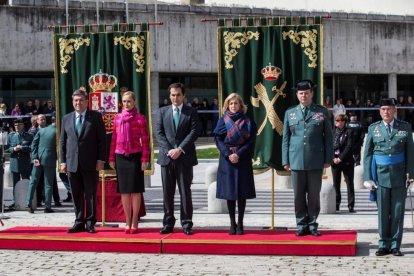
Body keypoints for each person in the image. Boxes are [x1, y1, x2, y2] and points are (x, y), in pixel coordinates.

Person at [282, 80, 333, 237]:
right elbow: (286, 138)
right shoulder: (290, 113)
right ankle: (301, 223)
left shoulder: (321, 112)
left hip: (315, 159)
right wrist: (285, 160)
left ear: (312, 94)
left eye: (307, 93)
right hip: (296, 159)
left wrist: (328, 159)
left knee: (313, 195)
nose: (304, 95)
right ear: (297, 95)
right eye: (301, 93)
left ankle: (312, 224)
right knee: (298, 195)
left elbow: (328, 138)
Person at [363, 98, 414, 257]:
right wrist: (368, 177)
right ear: (380, 111)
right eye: (383, 109)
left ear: (395, 110)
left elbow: (410, 153)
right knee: (383, 211)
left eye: (389, 109)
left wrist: (411, 176)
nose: (386, 112)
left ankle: (395, 245)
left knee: (398, 211)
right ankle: (383, 244)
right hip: (380, 176)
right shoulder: (374, 129)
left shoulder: (404, 128)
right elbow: (368, 154)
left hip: (399, 175)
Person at [155, 82, 200, 235]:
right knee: (167, 193)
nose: (175, 97)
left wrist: (180, 149)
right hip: (167, 158)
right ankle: (168, 223)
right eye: (173, 95)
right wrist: (170, 150)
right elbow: (159, 134)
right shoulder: (162, 112)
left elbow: (194, 132)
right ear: (169, 96)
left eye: (178, 95)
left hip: (185, 158)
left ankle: (186, 223)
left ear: (184, 96)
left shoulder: (191, 112)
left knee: (185, 192)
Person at [60, 89, 106, 234]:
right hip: (72, 163)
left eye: (80, 100)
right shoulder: (66, 118)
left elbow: (102, 141)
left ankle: (90, 223)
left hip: (91, 163)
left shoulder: (96, 117)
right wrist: (63, 162)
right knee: (76, 193)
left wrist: (100, 160)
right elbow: (62, 142)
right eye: (75, 100)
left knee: (90, 194)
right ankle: (79, 221)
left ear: (87, 101)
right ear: (72, 102)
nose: (78, 103)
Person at [213, 93, 257, 235]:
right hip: (227, 160)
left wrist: (239, 154)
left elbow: (251, 141)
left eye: (236, 103)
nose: (233, 106)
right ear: (227, 105)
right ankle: (232, 223)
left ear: (240, 105)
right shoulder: (223, 120)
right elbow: (218, 139)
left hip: (242, 159)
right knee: (230, 192)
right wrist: (228, 154)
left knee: (242, 192)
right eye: (231, 103)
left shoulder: (247, 121)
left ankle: (241, 223)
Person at [109, 91, 149, 234]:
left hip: (135, 156)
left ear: (134, 102)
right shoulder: (117, 118)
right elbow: (114, 138)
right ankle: (127, 220)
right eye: (124, 101)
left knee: (136, 190)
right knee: (124, 191)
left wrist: (145, 159)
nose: (126, 104)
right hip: (120, 157)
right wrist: (111, 157)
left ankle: (135, 221)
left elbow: (145, 140)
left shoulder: (140, 119)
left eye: (129, 101)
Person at [26, 117, 57, 213]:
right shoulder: (57, 131)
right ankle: (47, 206)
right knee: (48, 184)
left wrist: (35, 157)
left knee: (33, 181)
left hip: (39, 157)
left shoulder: (42, 130)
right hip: (50, 158)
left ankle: (28, 203)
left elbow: (33, 144)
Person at [6, 119, 33, 210]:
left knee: (27, 182)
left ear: (23, 125)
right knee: (15, 184)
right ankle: (15, 201)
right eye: (15, 125)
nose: (17, 127)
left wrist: (22, 147)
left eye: (19, 125)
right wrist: (13, 149)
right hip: (14, 163)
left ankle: (28, 201)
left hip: (25, 163)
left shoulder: (29, 136)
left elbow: (31, 148)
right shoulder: (11, 136)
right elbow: (7, 148)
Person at [331, 114, 355, 213]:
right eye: (336, 120)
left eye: (339, 120)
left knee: (349, 184)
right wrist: (333, 158)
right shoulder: (333, 132)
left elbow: (349, 147)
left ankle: (351, 205)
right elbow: (329, 146)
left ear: (344, 122)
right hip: (334, 161)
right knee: (336, 184)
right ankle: (336, 204)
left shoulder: (349, 132)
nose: (337, 122)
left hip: (346, 161)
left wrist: (340, 158)